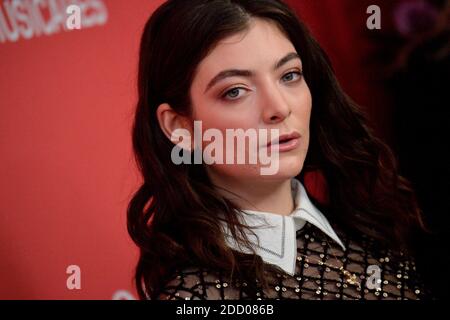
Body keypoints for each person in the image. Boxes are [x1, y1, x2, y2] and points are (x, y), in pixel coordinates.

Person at [127, 0, 430, 300]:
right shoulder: (196, 295)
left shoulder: (372, 227)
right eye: (235, 91)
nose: (279, 108)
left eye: (289, 75)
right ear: (180, 127)